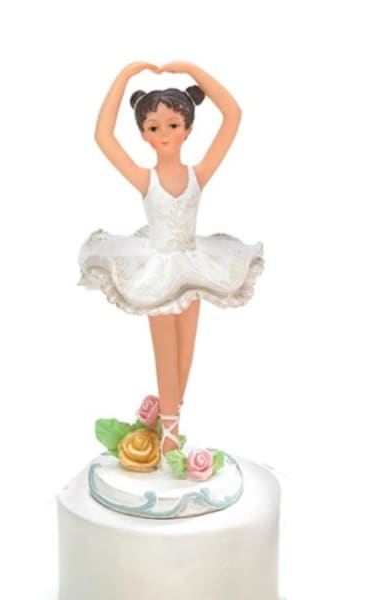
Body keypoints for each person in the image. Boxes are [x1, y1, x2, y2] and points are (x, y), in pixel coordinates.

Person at [78, 61, 264, 459]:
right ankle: (168, 434)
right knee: (165, 350)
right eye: (153, 127)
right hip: (158, 269)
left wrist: (191, 69)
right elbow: (103, 136)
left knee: (185, 353)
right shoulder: (145, 179)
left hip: (194, 265)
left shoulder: (198, 174)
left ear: (188, 129)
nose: (163, 134)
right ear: (143, 134)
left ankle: (169, 423)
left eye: (173, 125)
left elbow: (232, 114)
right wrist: (125, 76)